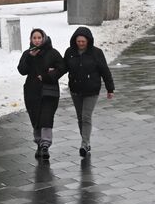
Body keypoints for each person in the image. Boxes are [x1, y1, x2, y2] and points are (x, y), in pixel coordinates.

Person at [62, 26, 114, 157]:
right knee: (80, 118)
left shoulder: (97, 53)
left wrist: (110, 88)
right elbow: (62, 67)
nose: (80, 44)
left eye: (83, 42)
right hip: (75, 90)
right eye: (78, 41)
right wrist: (50, 74)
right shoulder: (70, 52)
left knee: (86, 116)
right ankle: (87, 141)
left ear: (88, 41)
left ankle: (84, 144)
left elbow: (105, 71)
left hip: (91, 90)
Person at [17, 28, 64, 161]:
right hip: (32, 91)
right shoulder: (28, 53)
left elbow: (62, 67)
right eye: (34, 38)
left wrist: (49, 75)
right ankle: (39, 143)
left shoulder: (52, 53)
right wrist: (29, 58)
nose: (37, 40)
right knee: (36, 118)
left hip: (49, 91)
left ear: (44, 38)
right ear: (31, 40)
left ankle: (45, 145)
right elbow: (22, 70)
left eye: (39, 38)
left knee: (46, 118)